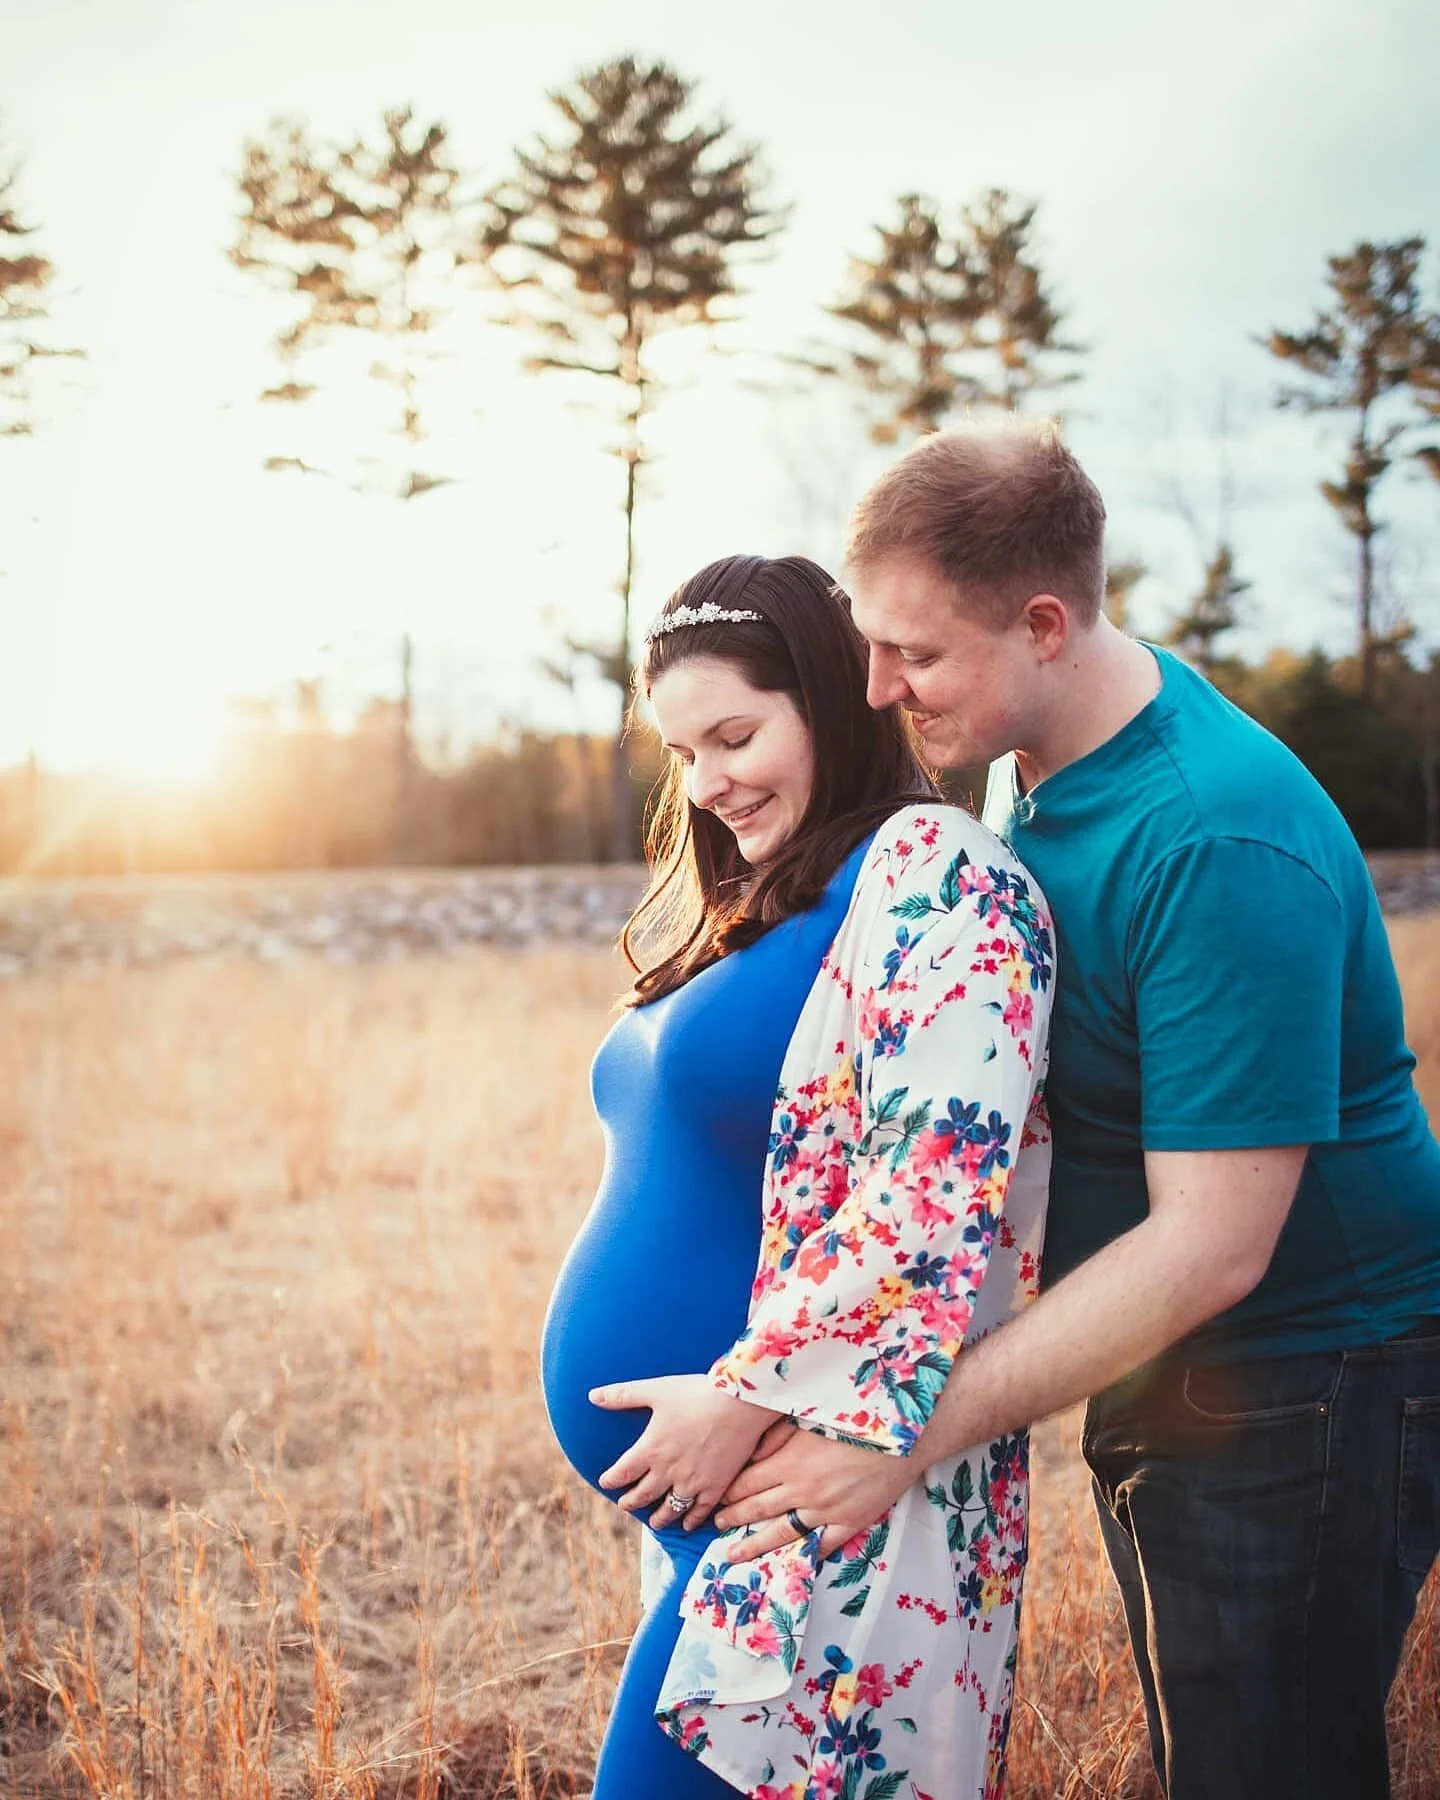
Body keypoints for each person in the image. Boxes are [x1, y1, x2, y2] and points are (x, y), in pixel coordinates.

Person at [711, 422, 1440, 1800]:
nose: (875, 689)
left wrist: (902, 1433)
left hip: (1305, 1370)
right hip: (1179, 1362)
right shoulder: (1029, 760)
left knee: (1261, 1768)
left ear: (1044, 623)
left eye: (912, 654)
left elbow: (1212, 1244)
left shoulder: (1215, 837)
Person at [540, 552, 1056, 1798]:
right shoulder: (775, 901)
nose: (710, 785)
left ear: (829, 697)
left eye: (736, 734)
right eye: (683, 753)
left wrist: (739, 1395)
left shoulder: (937, 873)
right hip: (724, 1510)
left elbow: (933, 1191)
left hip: (816, 1480)